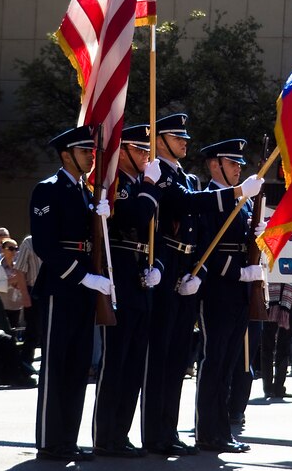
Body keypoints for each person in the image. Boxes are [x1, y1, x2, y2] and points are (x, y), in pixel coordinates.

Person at [141, 114, 263, 457]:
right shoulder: (167, 176)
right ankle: (161, 433)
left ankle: (174, 431)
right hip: (184, 277)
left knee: (186, 361)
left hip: (191, 275)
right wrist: (215, 272)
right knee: (171, 359)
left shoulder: (186, 178)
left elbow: (202, 237)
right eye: (177, 138)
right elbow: (197, 218)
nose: (185, 142)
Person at [30, 125, 113, 462]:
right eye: (85, 152)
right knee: (56, 365)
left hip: (83, 287)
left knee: (78, 366)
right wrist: (83, 277)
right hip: (60, 287)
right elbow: (45, 246)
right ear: (66, 155)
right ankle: (50, 439)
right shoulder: (48, 190)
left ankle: (68, 437)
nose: (91, 157)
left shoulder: (86, 191)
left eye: (92, 152)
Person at [92, 125, 162, 458]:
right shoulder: (117, 185)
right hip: (119, 275)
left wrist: (157, 267)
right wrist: (149, 185)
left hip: (139, 277)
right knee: (116, 362)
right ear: (124, 151)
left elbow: (154, 235)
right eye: (141, 150)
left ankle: (121, 433)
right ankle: (105, 435)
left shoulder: (138, 185)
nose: (148, 157)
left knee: (134, 363)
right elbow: (136, 214)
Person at [195, 138, 264, 454]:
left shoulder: (247, 202)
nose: (238, 169)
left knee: (229, 364)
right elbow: (204, 247)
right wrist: (236, 272)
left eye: (239, 164)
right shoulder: (208, 199)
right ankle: (207, 431)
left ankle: (221, 430)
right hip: (218, 288)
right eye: (232, 163)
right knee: (214, 361)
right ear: (214, 165)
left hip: (240, 289)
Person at [261, 282, 292, 398]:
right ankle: (267, 387)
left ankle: (279, 387)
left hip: (291, 301)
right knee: (267, 346)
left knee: (284, 346)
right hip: (269, 301)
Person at [12, 235, 42, 370]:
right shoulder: (29, 242)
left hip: (54, 291)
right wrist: (25, 296)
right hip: (34, 291)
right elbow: (19, 270)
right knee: (33, 331)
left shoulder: (56, 239)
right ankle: (25, 365)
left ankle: (49, 364)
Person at [0, 238, 24, 328]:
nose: (14, 251)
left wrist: (18, 282)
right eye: (11, 249)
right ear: (3, 250)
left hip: (17, 307)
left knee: (16, 334)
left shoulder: (19, 267)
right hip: (2, 307)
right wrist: (13, 280)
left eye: (16, 249)